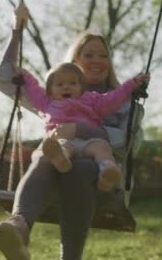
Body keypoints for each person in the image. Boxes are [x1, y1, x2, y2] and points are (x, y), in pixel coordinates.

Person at [0, 3, 148, 260]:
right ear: (74, 61)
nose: (97, 61)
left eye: (103, 55)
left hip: (100, 178)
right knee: (45, 157)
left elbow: (123, 145)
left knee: (76, 167)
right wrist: (17, 31)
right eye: (89, 55)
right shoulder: (56, 98)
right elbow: (5, 78)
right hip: (55, 167)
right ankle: (18, 229)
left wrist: (76, 128)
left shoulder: (123, 103)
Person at [20, 62, 149, 192]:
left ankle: (107, 173)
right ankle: (61, 160)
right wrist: (25, 76)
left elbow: (113, 98)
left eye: (73, 83)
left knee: (103, 148)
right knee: (62, 147)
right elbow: (33, 91)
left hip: (89, 140)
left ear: (82, 86)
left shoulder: (92, 99)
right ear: (50, 90)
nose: (66, 87)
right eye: (60, 84)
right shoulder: (46, 103)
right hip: (64, 139)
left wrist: (133, 83)